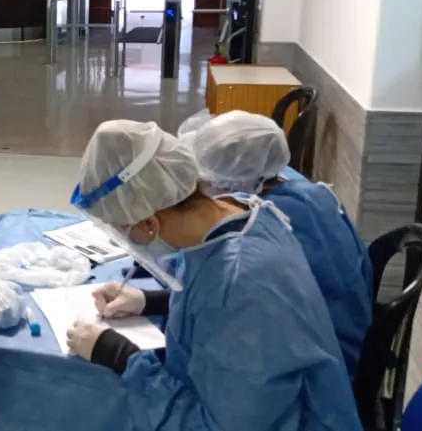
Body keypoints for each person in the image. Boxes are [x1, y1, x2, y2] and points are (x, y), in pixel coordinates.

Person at [65, 120, 361, 431]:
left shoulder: (239, 284)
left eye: (124, 233)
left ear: (150, 224)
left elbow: (223, 425)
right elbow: (211, 300)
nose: (128, 243)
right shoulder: (239, 214)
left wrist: (123, 357)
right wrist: (148, 300)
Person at [188, 109, 374, 378]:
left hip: (319, 361)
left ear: (232, 181)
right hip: (352, 336)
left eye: (209, 179)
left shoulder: (265, 221)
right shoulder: (312, 193)